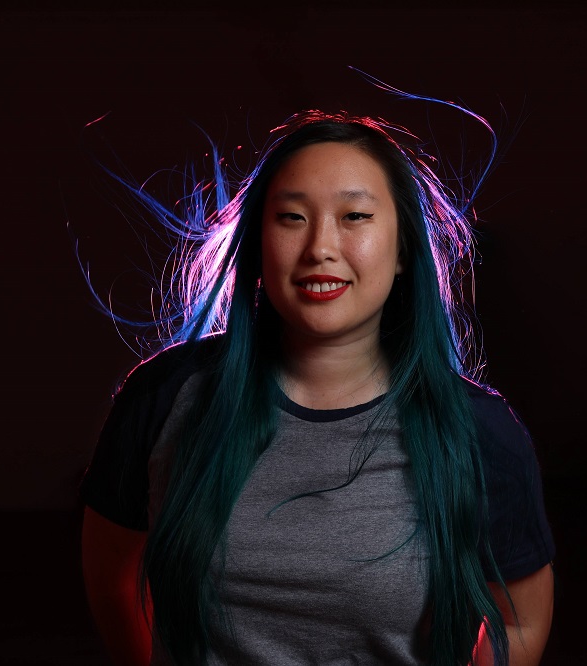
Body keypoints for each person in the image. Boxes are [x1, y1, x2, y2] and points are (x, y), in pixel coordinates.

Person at [78, 98, 555, 666]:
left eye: (355, 217)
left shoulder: (478, 432)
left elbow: (516, 618)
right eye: (291, 217)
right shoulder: (164, 397)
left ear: (403, 249)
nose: (320, 248)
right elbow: (113, 579)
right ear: (258, 242)